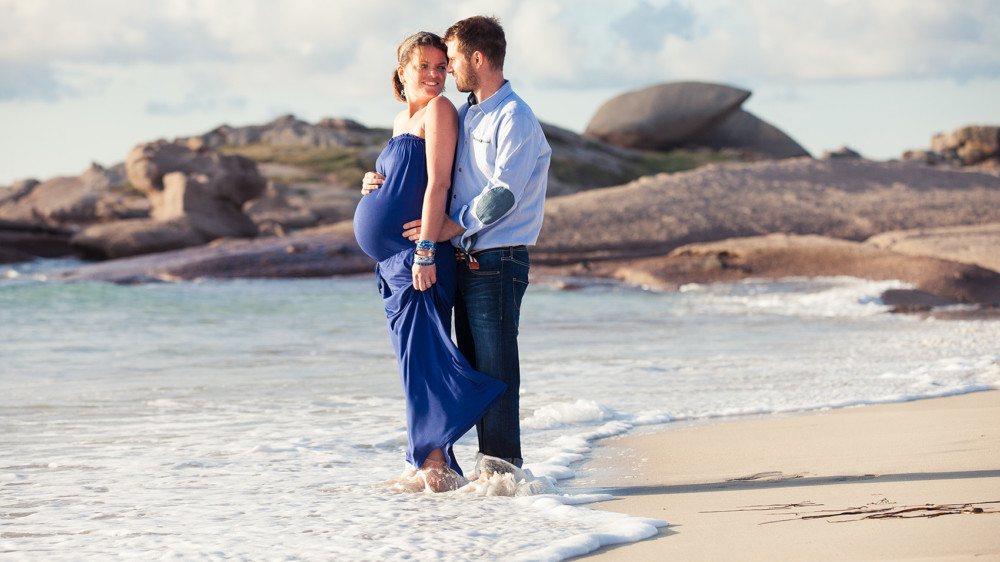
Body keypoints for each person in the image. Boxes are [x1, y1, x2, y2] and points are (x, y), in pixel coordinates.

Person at [363, 16, 551, 473]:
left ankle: (504, 471)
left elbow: (502, 193)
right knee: (469, 362)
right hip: (466, 259)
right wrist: (383, 185)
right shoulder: (468, 113)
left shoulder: (515, 118)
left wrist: (450, 229)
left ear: (477, 58)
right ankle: (470, 466)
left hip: (497, 257)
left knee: (495, 366)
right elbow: (431, 175)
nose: (444, 71)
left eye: (449, 60)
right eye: (433, 64)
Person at [352, 31, 506, 492]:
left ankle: (434, 468)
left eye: (442, 66)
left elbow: (438, 185)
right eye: (425, 66)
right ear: (403, 71)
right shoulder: (403, 120)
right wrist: (373, 183)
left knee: (424, 362)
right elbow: (406, 179)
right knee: (413, 363)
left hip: (421, 259)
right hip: (395, 262)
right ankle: (433, 467)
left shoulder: (440, 111)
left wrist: (424, 252)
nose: (437, 76)